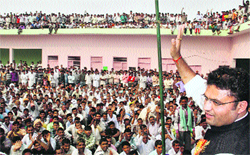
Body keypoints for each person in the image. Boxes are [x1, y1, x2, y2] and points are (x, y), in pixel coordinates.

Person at [169, 25, 249, 154]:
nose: (206, 107)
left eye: (216, 102)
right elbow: (195, 85)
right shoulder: (225, 110)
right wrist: (177, 57)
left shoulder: (230, 150)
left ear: (241, 106)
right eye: (206, 98)